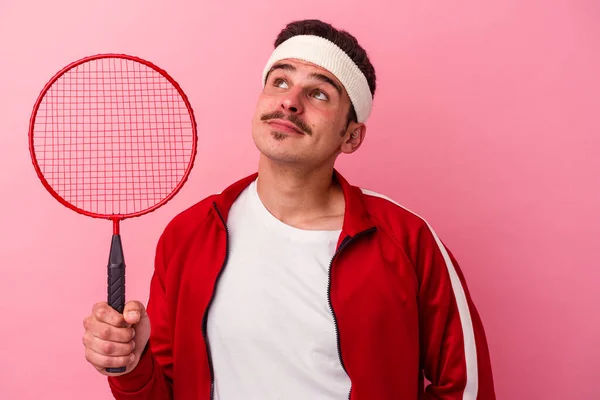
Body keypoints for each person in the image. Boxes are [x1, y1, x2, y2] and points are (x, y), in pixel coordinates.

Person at [82, 19, 496, 400]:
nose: (290, 102)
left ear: (351, 137)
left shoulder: (408, 240)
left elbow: (467, 388)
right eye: (279, 82)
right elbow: (167, 389)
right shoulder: (190, 233)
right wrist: (132, 367)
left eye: (318, 92)